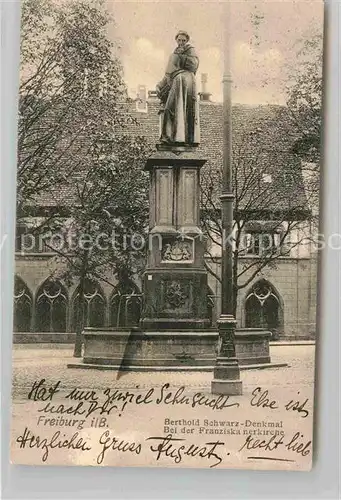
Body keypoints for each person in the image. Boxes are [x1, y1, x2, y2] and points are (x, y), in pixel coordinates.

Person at [156, 31, 200, 145]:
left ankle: (179, 138)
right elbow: (168, 73)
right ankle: (168, 137)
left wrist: (180, 57)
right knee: (169, 109)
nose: (181, 42)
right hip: (176, 81)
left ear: (187, 41)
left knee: (183, 110)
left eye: (183, 40)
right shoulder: (174, 53)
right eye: (179, 40)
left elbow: (194, 65)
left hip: (185, 81)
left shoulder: (190, 50)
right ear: (176, 40)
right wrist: (160, 85)